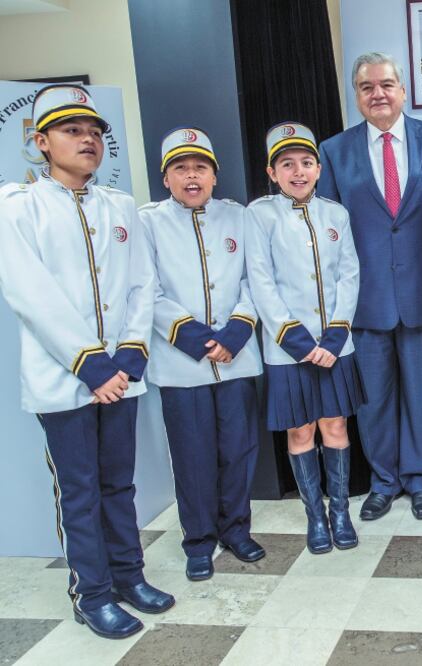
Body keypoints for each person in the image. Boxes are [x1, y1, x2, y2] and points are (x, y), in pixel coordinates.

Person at [0, 84, 173, 639]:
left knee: (118, 486)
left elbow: (142, 283)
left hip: (121, 378)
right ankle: (91, 594)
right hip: (66, 381)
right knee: (78, 489)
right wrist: (92, 366)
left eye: (95, 131)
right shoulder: (19, 209)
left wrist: (127, 355)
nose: (88, 140)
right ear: (41, 141)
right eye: (73, 131)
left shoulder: (120, 206)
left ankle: (128, 576)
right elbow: (32, 296)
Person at [317, 52, 422, 522]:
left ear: (402, 89)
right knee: (374, 400)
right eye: (366, 87)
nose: (377, 93)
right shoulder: (334, 152)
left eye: (386, 84)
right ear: (356, 95)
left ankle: (420, 479)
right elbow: (330, 233)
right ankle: (383, 482)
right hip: (364, 301)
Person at [138, 127, 265, 582]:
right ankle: (198, 541)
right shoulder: (147, 222)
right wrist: (194, 337)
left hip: (236, 357)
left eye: (200, 168)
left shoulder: (239, 217)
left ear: (214, 174)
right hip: (181, 362)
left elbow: (256, 279)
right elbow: (146, 290)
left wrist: (235, 331)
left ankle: (236, 529)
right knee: (192, 455)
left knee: (238, 449)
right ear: (165, 176)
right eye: (181, 168)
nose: (192, 177)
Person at [245, 122, 364, 554]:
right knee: (301, 432)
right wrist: (294, 339)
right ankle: (315, 517)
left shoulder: (336, 213)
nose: (298, 171)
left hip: (335, 345)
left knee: (335, 425)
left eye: (307, 163)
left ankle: (340, 513)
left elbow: (349, 274)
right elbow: (260, 279)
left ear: (318, 168)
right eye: (287, 164)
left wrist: (335, 334)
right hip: (287, 349)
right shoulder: (258, 214)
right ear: (272, 172)